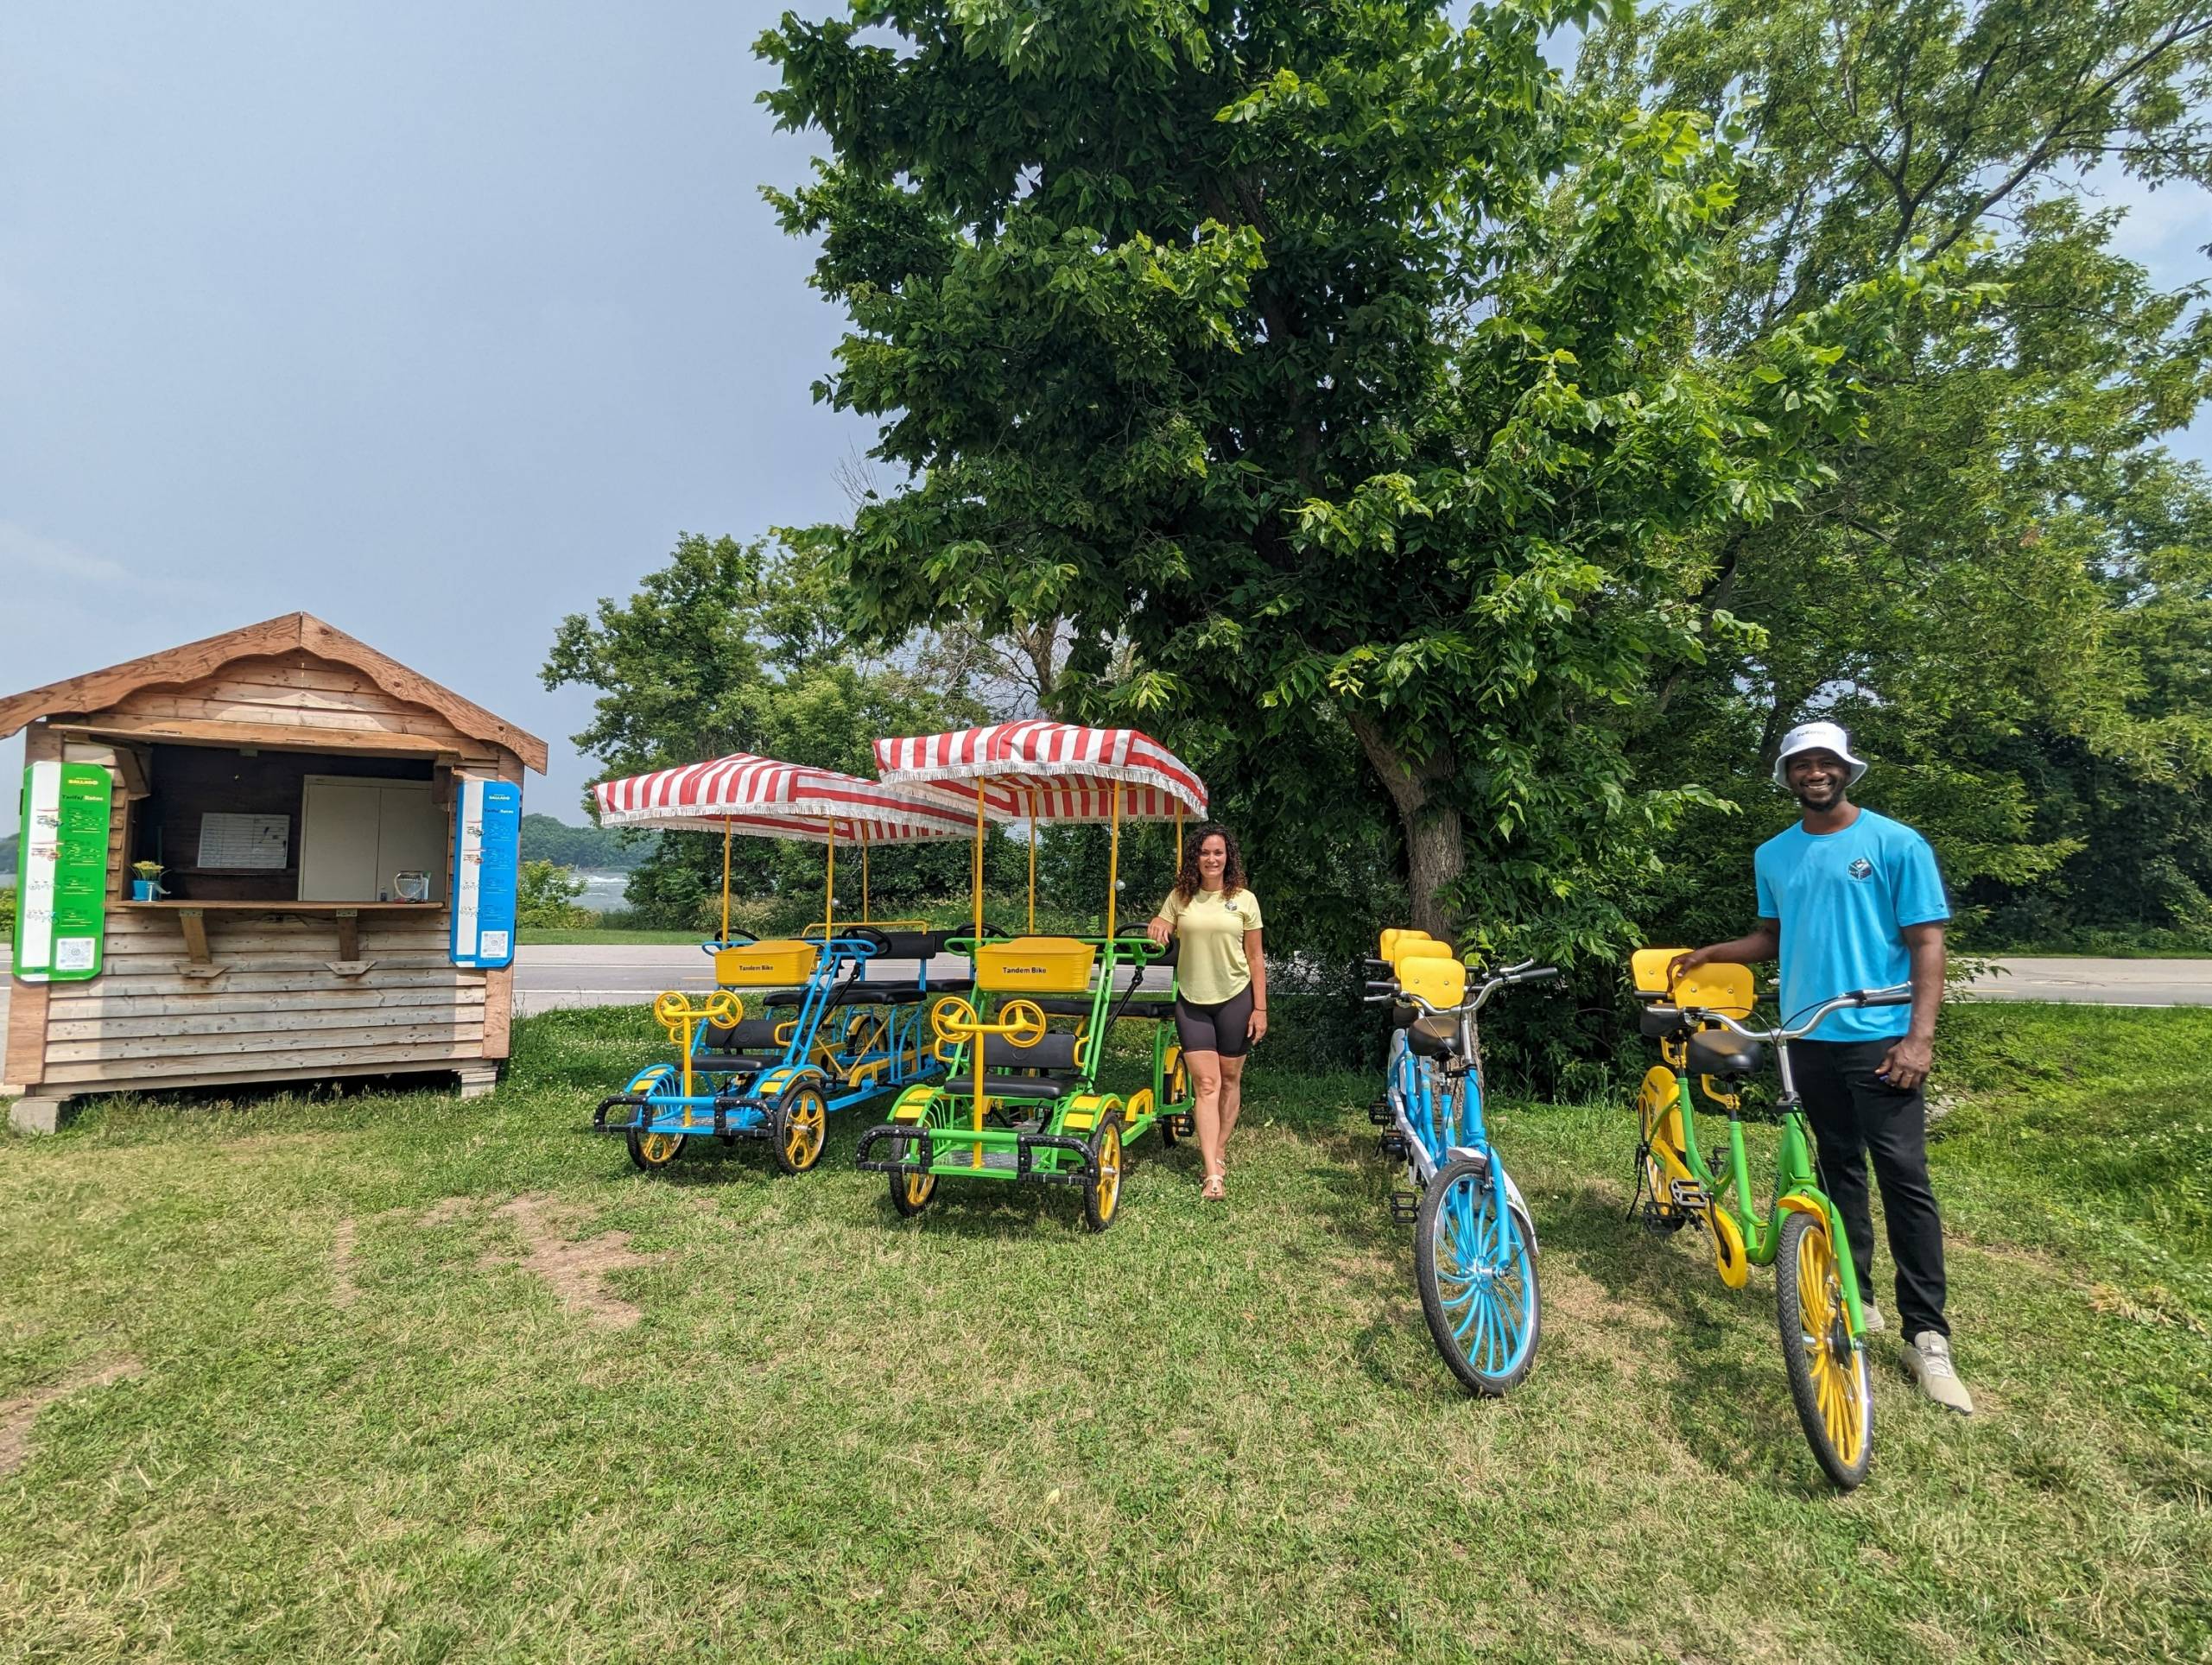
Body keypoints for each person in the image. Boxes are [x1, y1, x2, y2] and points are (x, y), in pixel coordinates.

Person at [1670, 721, 1972, 1415]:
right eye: (1800, 764)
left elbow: (1926, 943)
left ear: (1844, 770)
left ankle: (1926, 1336)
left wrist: (1918, 1040)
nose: (1813, 772)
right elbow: (1772, 938)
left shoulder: (1895, 844)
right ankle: (1855, 1295)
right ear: (1786, 776)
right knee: (1837, 1162)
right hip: (1804, 1037)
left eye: (1824, 762)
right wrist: (1713, 953)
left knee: (1902, 1174)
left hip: (1880, 1037)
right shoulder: (1773, 854)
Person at [1146, 823, 1265, 1201]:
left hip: (1235, 999)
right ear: (1194, 859)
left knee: (1229, 1081)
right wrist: (1159, 923)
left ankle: (1219, 1149)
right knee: (1207, 1085)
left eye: (1218, 852)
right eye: (1204, 853)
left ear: (1228, 857)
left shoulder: (1245, 899)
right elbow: (1163, 923)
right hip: (1192, 1002)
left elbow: (1255, 958)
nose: (1211, 859)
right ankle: (1212, 1174)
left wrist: (1260, 1008)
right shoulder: (1180, 897)